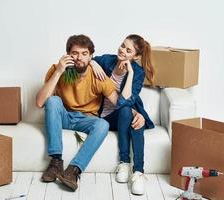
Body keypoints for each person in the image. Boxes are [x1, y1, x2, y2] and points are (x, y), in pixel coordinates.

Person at [36, 34, 144, 191]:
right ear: (68, 54)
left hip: (86, 120)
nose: (79, 58)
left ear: (91, 56)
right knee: (52, 101)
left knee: (103, 124)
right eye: (74, 53)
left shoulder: (99, 76)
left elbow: (118, 103)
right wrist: (59, 71)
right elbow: (40, 102)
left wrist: (136, 114)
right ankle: (56, 162)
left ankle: (73, 171)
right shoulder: (56, 70)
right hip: (64, 116)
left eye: (84, 54)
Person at [90, 34, 155, 195]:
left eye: (128, 50)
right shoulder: (108, 60)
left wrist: (131, 73)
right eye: (122, 45)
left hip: (124, 114)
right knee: (130, 113)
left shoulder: (138, 73)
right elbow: (88, 59)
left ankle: (137, 172)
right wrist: (93, 63)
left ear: (136, 56)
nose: (122, 50)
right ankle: (125, 162)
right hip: (106, 117)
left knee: (132, 115)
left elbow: (124, 102)